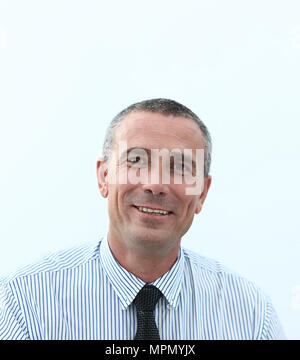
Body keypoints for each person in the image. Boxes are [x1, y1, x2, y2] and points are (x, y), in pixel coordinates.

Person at [0, 98, 285, 340]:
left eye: (180, 167)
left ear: (202, 193)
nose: (155, 184)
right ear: (104, 177)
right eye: (136, 161)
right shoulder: (23, 305)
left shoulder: (251, 317)